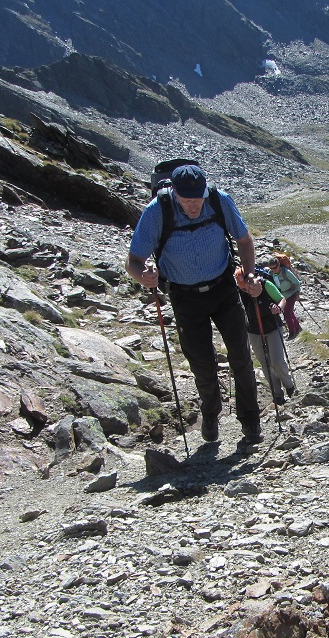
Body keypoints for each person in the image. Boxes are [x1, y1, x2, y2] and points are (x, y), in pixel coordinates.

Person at [126, 163, 262, 443]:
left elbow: (244, 240)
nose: (194, 207)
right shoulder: (157, 211)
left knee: (241, 356)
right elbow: (134, 260)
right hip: (184, 296)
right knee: (202, 363)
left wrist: (249, 274)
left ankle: (250, 420)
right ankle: (210, 414)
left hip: (223, 288)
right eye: (187, 202)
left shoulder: (218, 200)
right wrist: (144, 278)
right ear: (174, 193)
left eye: (198, 200)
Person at [236, 264, 296, 405]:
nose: (247, 288)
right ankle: (277, 393)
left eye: (249, 285)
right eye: (243, 286)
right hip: (253, 330)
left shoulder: (266, 284)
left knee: (276, 361)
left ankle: (289, 386)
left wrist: (279, 309)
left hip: (273, 326)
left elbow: (282, 299)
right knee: (264, 363)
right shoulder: (239, 292)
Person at [266, 255, 302, 338]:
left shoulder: (286, 272)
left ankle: (292, 332)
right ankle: (297, 327)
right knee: (289, 312)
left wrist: (297, 293)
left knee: (287, 313)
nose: (273, 270)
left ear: (278, 265)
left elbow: (296, 282)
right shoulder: (270, 274)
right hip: (281, 297)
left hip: (291, 294)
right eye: (271, 268)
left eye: (275, 267)